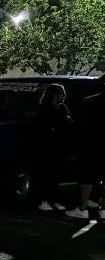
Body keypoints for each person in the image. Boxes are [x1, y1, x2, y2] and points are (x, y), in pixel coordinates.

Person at [66, 87, 105, 220]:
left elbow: (78, 125)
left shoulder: (90, 102)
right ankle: (104, 209)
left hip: (91, 145)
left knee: (86, 178)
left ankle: (82, 209)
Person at [33, 83, 72, 212]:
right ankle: (46, 200)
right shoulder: (50, 109)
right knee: (48, 174)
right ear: (56, 95)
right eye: (62, 93)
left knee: (52, 174)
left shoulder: (53, 108)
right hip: (49, 145)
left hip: (52, 146)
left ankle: (52, 199)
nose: (64, 96)